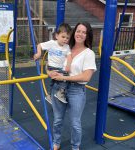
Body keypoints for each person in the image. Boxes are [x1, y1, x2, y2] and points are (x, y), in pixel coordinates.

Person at [48, 22, 97, 150]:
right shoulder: (65, 47)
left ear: (87, 36)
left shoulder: (88, 53)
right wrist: (49, 72)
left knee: (75, 123)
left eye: (84, 32)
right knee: (57, 119)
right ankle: (56, 143)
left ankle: (75, 147)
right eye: (78, 31)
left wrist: (64, 77)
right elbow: (51, 62)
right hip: (58, 86)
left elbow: (86, 76)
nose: (80, 34)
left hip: (76, 90)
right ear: (74, 32)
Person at [34, 23, 72, 103]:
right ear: (57, 36)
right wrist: (39, 53)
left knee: (54, 81)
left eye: (67, 38)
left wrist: (68, 65)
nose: (65, 39)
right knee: (65, 78)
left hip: (59, 67)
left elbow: (69, 56)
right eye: (63, 37)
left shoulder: (67, 47)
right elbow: (39, 45)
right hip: (52, 66)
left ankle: (49, 96)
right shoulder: (52, 43)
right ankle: (60, 93)